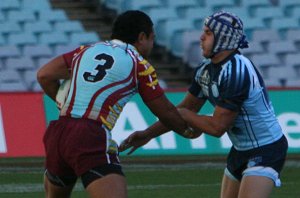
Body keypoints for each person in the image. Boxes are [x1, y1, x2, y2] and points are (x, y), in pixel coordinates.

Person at [119, 11, 288, 198]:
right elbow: (183, 110)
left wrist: (185, 115)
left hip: (266, 148)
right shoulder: (205, 70)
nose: (201, 37)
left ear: (224, 38)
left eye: (208, 32)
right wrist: (147, 134)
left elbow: (217, 127)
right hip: (240, 150)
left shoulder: (237, 71)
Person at [37, 10, 198, 198]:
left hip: (58, 133)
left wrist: (63, 103)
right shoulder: (139, 64)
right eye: (152, 39)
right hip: (89, 134)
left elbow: (44, 75)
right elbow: (166, 112)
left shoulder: (86, 50)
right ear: (142, 37)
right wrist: (187, 131)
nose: (152, 45)